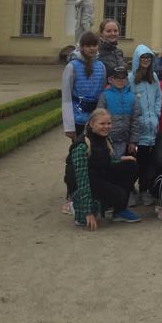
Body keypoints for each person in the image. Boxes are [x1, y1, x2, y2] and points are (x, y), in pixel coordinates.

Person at [67, 108, 141, 229]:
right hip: (85, 182)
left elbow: (108, 161)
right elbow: (81, 180)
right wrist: (88, 212)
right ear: (92, 124)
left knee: (131, 165)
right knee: (119, 194)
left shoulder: (105, 138)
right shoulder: (81, 146)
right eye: (102, 124)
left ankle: (119, 211)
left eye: (109, 123)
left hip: (99, 176)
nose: (106, 127)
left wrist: (121, 159)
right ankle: (81, 205)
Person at [60, 31, 105, 213]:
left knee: (94, 156)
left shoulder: (101, 66)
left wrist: (100, 119)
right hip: (78, 119)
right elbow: (66, 96)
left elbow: (101, 93)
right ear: (82, 47)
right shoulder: (72, 66)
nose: (92, 48)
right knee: (76, 158)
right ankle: (72, 194)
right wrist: (69, 125)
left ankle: (90, 193)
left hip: (94, 119)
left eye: (94, 45)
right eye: (88, 45)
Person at [129, 44, 162, 206]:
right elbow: (129, 100)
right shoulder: (130, 78)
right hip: (138, 128)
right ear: (137, 59)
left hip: (152, 127)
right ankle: (131, 190)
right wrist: (137, 117)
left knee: (149, 163)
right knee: (136, 162)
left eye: (148, 57)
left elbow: (158, 97)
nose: (146, 60)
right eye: (143, 57)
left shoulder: (154, 77)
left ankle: (144, 190)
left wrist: (156, 113)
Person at [97, 65, 140, 160]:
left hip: (125, 140)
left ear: (126, 79)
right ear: (111, 79)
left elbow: (135, 120)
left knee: (122, 164)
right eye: (117, 78)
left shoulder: (132, 97)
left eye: (123, 78)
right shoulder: (104, 96)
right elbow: (98, 119)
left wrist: (133, 141)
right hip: (107, 140)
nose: (120, 80)